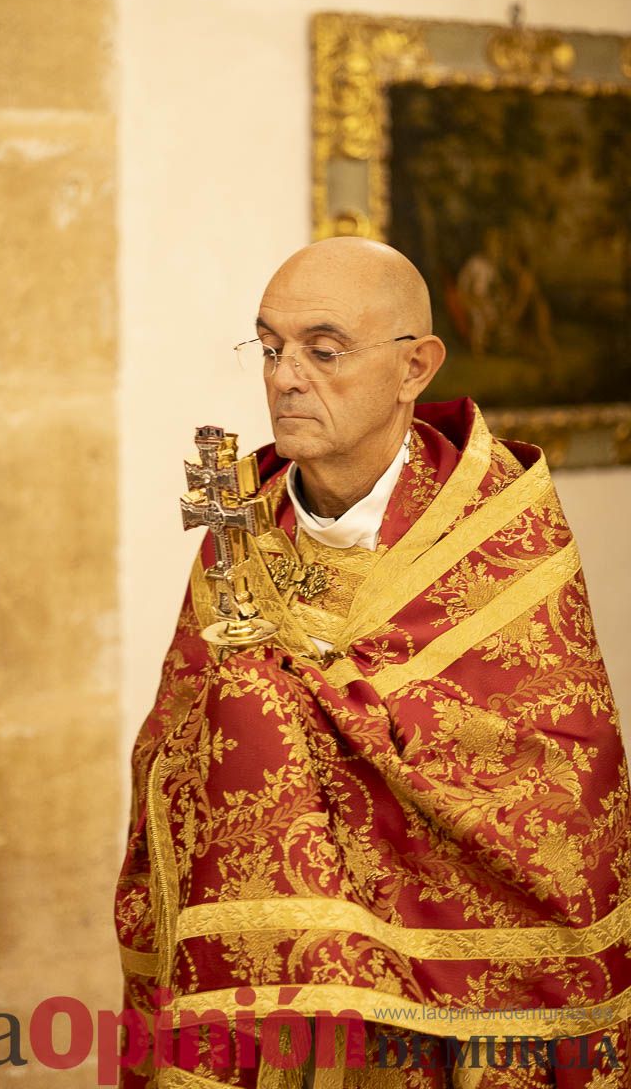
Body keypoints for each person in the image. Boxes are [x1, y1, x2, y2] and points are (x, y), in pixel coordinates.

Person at [114, 238, 631, 1088]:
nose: (284, 376)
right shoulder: (241, 526)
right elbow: (170, 742)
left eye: (323, 350)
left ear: (415, 367)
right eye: (270, 347)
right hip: (273, 994)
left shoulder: (501, 533)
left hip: (440, 1013)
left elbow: (557, 780)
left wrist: (300, 710)